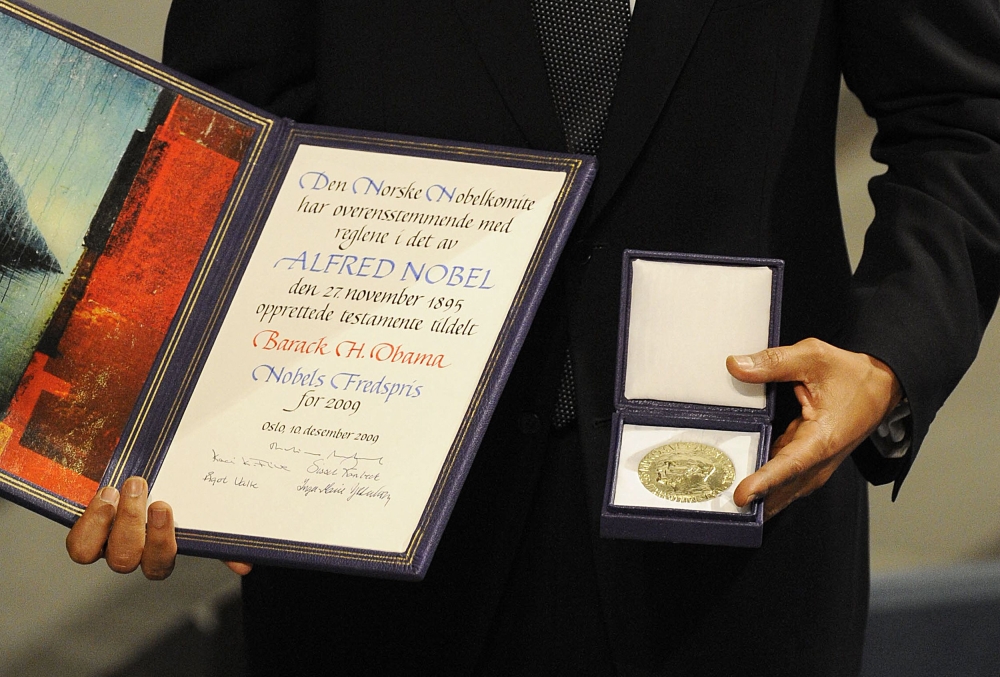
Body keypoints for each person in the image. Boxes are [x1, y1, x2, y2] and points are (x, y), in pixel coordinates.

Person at [66, 0, 1000, 674]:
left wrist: (886, 361)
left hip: (733, 557)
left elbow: (967, 120)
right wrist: (165, 429)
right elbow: (224, 135)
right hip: (366, 556)